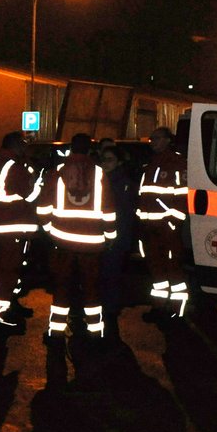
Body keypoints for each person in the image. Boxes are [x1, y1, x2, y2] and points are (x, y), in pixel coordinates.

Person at [37, 132, 117, 351]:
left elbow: (42, 209)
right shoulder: (100, 173)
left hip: (62, 243)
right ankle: (95, 332)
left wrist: (51, 231)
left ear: (71, 148)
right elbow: (108, 211)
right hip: (92, 245)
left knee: (61, 287)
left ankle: (56, 332)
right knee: (92, 288)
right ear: (90, 149)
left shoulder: (58, 172)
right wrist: (109, 237)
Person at [0, 130, 41, 332]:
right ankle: (1, 314)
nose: (26, 147)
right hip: (13, 227)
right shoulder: (15, 167)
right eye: (23, 143)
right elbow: (32, 195)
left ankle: (0, 304)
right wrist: (38, 179)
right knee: (8, 271)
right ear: (14, 145)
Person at [138, 126, 189, 321]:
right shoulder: (151, 164)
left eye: (157, 138)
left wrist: (172, 222)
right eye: (152, 139)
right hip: (150, 228)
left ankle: (177, 310)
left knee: (173, 270)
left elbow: (183, 196)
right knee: (156, 269)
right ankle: (159, 307)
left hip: (167, 229)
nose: (153, 142)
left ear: (168, 140)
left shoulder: (176, 163)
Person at [97, 143, 140, 341]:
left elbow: (122, 214)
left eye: (110, 159)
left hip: (115, 238)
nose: (105, 163)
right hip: (103, 237)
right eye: (103, 159)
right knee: (103, 275)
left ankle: (110, 313)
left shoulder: (122, 183)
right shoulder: (103, 180)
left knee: (111, 275)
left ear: (119, 162)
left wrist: (114, 238)